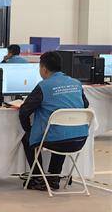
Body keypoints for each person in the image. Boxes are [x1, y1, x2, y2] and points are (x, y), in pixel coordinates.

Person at [19, 51, 89, 191]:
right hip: (80, 138)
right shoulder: (76, 83)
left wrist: (29, 130)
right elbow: (85, 105)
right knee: (63, 131)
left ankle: (38, 177)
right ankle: (53, 177)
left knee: (28, 138)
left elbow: (24, 111)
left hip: (57, 140)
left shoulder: (43, 86)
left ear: (44, 69)